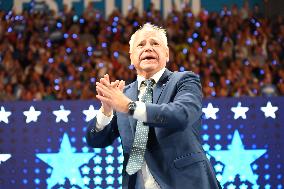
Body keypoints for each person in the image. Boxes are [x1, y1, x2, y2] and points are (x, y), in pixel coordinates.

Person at [86, 23, 220, 189]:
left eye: (155, 43)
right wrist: (106, 110)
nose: (148, 48)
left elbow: (181, 115)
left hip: (185, 183)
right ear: (131, 56)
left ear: (167, 54)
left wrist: (130, 107)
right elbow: (96, 140)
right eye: (141, 45)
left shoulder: (184, 80)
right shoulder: (123, 95)